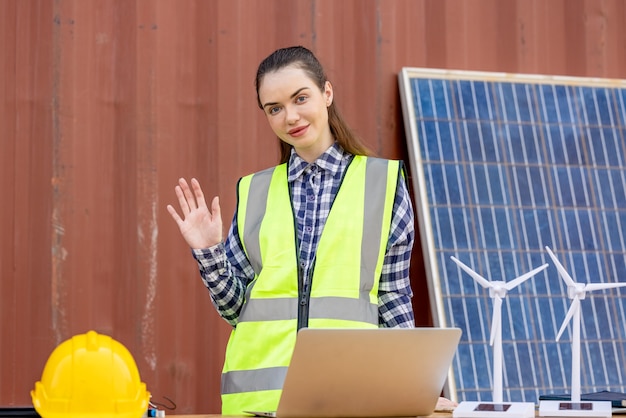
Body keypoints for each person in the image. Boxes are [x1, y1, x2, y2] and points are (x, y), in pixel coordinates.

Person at [167, 45, 450, 414]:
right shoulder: (254, 192)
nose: (291, 117)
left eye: (301, 98)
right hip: (259, 406)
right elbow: (237, 309)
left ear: (326, 93)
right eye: (275, 108)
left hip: (351, 400)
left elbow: (394, 300)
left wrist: (415, 389)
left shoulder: (384, 185)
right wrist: (209, 252)